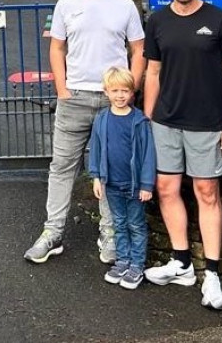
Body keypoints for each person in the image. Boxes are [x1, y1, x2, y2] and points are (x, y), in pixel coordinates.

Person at [24, 0, 146, 264]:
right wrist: (62, 89)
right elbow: (56, 48)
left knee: (111, 169)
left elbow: (138, 50)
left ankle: (110, 234)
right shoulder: (67, 4)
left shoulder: (124, 6)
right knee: (62, 166)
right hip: (74, 97)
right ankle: (52, 233)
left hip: (113, 100)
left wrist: (129, 90)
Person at [141, 0, 222, 310]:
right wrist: (149, 117)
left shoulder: (220, 21)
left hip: (208, 123)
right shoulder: (157, 21)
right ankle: (182, 262)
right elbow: (152, 73)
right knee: (166, 188)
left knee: (207, 191)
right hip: (166, 121)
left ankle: (211, 273)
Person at [87, 67, 156, 290]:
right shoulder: (102, 119)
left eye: (124, 90)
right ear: (106, 92)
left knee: (135, 224)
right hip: (112, 183)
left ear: (132, 92)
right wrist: (96, 177)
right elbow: (96, 149)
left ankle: (137, 264)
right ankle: (122, 260)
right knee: (119, 223)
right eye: (115, 90)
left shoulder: (139, 121)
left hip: (135, 185)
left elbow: (148, 155)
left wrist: (147, 184)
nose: (120, 95)